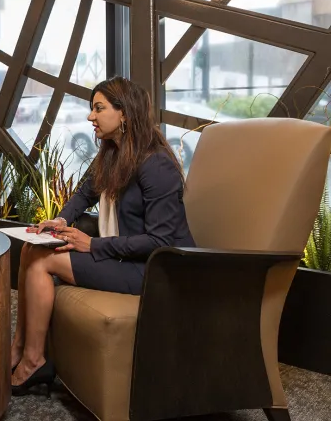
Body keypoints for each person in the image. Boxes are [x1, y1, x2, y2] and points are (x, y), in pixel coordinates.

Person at [10, 77, 195, 395]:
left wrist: (93, 244)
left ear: (124, 114)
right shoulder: (112, 154)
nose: (90, 116)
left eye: (98, 108)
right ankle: (19, 347)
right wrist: (60, 220)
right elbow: (85, 193)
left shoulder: (156, 165)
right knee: (31, 249)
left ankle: (34, 361)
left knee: (41, 262)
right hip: (126, 258)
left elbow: (160, 241)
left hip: (156, 271)